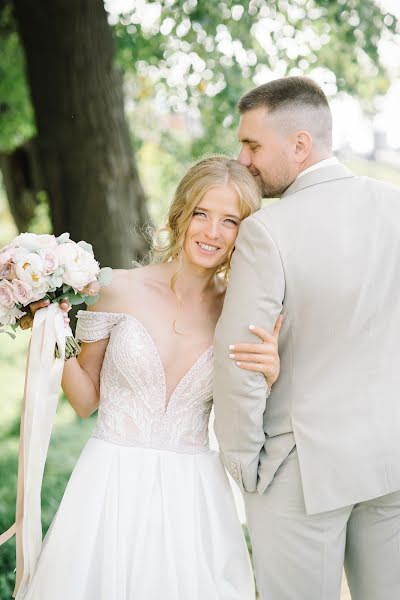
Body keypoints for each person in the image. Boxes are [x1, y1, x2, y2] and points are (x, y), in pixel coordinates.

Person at [19, 155, 282, 600]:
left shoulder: (244, 312)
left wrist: (272, 375)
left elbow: (252, 416)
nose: (212, 232)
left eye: (230, 220)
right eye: (201, 213)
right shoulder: (116, 288)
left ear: (245, 232)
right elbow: (85, 400)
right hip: (110, 487)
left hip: (193, 498)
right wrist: (50, 330)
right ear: (180, 214)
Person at [213, 76, 400, 600]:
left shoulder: (266, 232)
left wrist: (244, 461)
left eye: (253, 145)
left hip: (298, 470)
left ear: (300, 144)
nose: (243, 158)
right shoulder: (396, 208)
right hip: (391, 456)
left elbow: (239, 359)